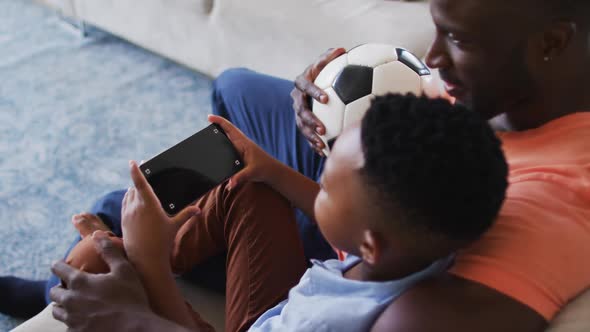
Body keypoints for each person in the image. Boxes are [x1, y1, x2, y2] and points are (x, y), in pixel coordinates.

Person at [2, 0, 589, 329]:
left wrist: (144, 292)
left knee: (206, 177)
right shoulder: (479, 141)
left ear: (552, 44)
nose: (433, 60)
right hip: (376, 210)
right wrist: (329, 110)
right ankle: (104, 245)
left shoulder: (549, 199)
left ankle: (101, 258)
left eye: (457, 41)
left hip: (298, 290)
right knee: (236, 122)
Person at [51, 93, 509, 331]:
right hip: (294, 296)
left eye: (327, 187)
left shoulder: (323, 324)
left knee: (93, 260)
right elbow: (347, 220)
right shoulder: (418, 243)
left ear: (369, 243)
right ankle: (136, 245)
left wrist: (148, 263)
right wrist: (271, 169)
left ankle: (118, 256)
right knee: (250, 184)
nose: (316, 186)